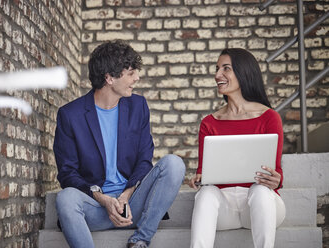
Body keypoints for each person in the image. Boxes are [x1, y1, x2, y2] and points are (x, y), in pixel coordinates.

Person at [53, 40, 185, 248]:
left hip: (133, 205)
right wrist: (104, 199)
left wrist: (126, 195)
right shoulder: (70, 115)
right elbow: (67, 173)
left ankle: (140, 239)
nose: (137, 78)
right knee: (65, 199)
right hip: (96, 207)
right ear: (110, 78)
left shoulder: (138, 106)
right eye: (131, 72)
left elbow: (144, 159)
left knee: (174, 164)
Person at [189, 48, 286, 248]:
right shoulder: (209, 123)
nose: (217, 75)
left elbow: (274, 170)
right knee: (205, 194)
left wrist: (277, 179)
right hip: (224, 209)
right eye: (217, 69)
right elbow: (203, 172)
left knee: (260, 191)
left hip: (260, 207)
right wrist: (199, 178)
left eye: (226, 69)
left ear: (243, 73)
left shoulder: (269, 117)